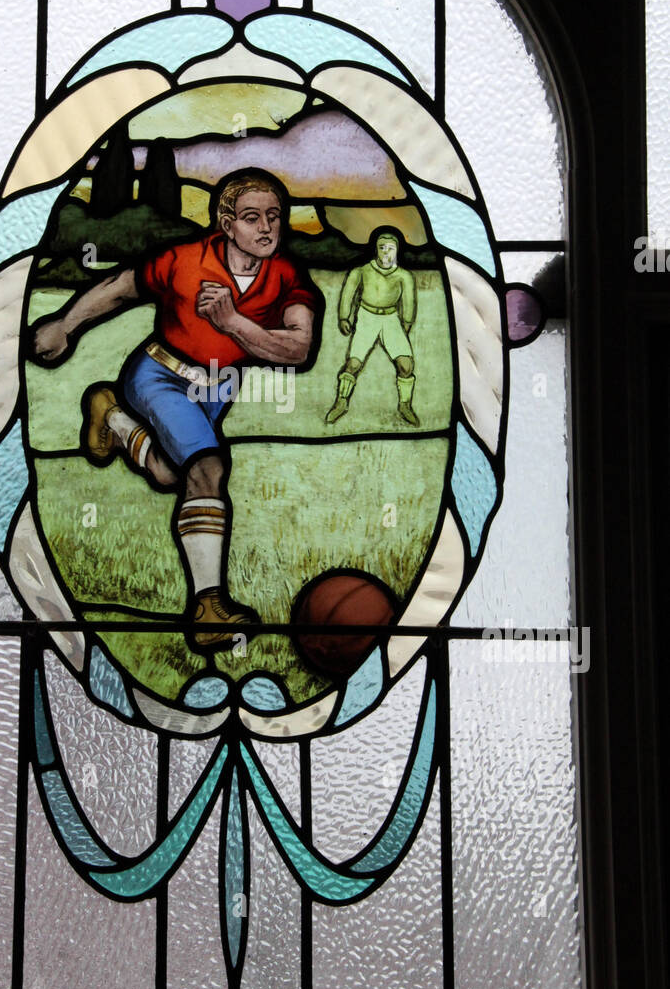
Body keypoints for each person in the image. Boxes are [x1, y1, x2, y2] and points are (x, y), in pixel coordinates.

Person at [33, 169, 321, 649]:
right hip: (158, 375)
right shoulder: (185, 259)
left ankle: (112, 416)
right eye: (252, 218)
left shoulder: (287, 276)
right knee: (208, 469)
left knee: (173, 478)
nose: (267, 227)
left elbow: (298, 349)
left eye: (274, 216)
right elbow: (122, 287)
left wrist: (233, 323)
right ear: (226, 223)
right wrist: (66, 323)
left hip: (217, 390)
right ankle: (208, 608)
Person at [325, 227, 418, 426]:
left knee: (406, 365)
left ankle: (405, 405)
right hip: (366, 317)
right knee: (353, 364)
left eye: (390, 248)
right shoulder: (361, 271)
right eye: (382, 247)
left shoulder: (403, 276)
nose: (386, 252)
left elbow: (409, 302)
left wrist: (407, 323)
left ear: (397, 250)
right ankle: (341, 402)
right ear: (375, 249)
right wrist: (344, 317)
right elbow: (348, 294)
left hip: (391, 319)